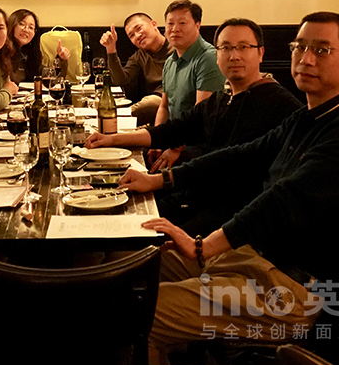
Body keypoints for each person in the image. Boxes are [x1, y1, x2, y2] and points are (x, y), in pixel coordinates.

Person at [118, 12, 339, 365]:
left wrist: (204, 246)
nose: (306, 59)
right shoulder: (306, 117)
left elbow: (285, 199)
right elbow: (240, 155)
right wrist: (159, 180)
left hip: (295, 287)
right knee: (132, 268)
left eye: (322, 50)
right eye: (300, 47)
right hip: (254, 258)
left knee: (143, 316)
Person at [89, 18, 300, 229]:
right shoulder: (221, 98)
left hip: (237, 211)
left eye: (243, 47)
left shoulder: (280, 103)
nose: (234, 55)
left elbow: (228, 161)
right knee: (117, 209)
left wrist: (160, 179)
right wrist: (111, 139)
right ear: (217, 55)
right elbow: (173, 130)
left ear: (261, 53)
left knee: (140, 231)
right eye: (226, 48)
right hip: (199, 194)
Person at [155, 0, 224, 125]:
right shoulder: (170, 61)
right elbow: (164, 107)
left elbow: (201, 115)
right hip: (172, 133)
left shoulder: (208, 58)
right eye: (170, 23)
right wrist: (155, 136)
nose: (175, 29)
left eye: (182, 23)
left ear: (197, 25)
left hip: (195, 135)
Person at [100, 13, 170, 124]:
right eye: (131, 35)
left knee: (150, 103)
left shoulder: (177, 46)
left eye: (139, 28)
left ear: (154, 25)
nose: (137, 36)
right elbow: (121, 80)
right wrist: (111, 50)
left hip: (173, 102)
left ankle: (112, 119)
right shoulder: (139, 56)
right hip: (154, 108)